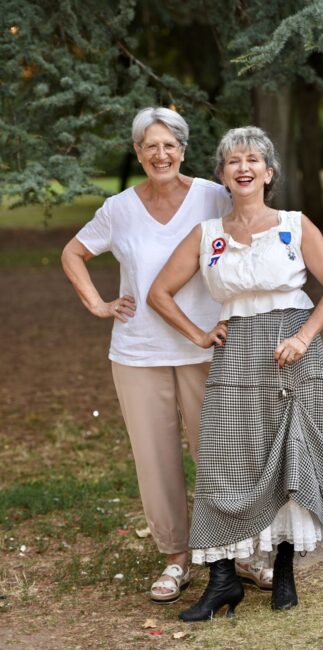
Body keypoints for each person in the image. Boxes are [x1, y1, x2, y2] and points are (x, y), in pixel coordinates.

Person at [147, 126, 323, 620]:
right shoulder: (208, 236)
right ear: (222, 175)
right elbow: (158, 293)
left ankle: (283, 568)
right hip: (236, 353)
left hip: (293, 352)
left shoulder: (295, 225)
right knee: (223, 461)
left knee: (291, 459)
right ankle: (222, 582)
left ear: (268, 172)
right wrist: (198, 335)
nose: (243, 168)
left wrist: (303, 337)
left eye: (253, 160)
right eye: (233, 161)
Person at [61, 107, 232, 604]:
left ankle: (235, 550)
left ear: (183, 149)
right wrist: (97, 303)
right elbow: (73, 252)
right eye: (150, 146)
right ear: (138, 152)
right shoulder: (119, 208)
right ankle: (176, 557)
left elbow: (249, 237)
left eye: (169, 145)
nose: (161, 154)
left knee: (219, 453)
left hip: (207, 346)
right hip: (137, 352)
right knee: (155, 460)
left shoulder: (213, 197)